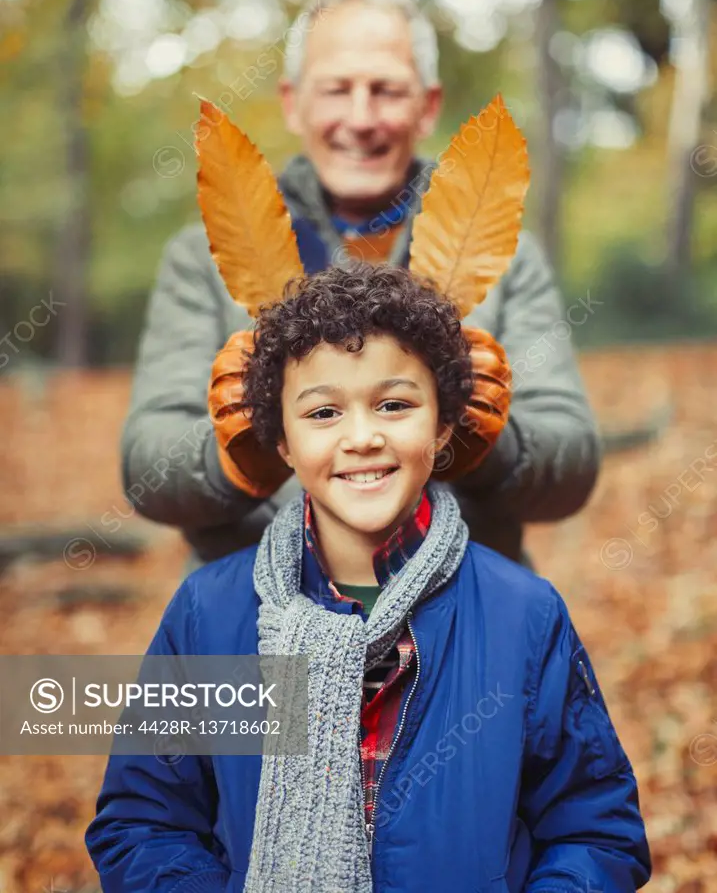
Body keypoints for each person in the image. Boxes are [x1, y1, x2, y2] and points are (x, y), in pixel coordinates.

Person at [86, 263, 650, 893]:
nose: (362, 436)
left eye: (394, 404)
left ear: (441, 427)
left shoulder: (523, 613)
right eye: (323, 412)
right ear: (283, 444)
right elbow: (145, 822)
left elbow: (595, 832)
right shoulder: (213, 614)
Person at [121, 0, 600, 568]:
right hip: (258, 627)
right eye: (336, 89)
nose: (361, 116)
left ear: (427, 106)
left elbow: (573, 463)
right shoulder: (202, 258)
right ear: (294, 103)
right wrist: (238, 456)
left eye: (387, 90)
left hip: (463, 619)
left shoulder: (507, 255)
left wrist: (485, 443)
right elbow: (147, 465)